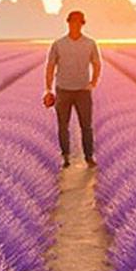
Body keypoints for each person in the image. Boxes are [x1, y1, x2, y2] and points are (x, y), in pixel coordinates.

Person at [43, 9, 101, 168]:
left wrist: (93, 82)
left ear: (82, 24)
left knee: (86, 126)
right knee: (63, 125)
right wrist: (48, 89)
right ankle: (65, 156)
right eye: (72, 21)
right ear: (68, 23)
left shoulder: (90, 43)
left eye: (78, 22)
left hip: (83, 90)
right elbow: (50, 66)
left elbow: (97, 63)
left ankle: (89, 157)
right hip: (63, 89)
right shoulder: (58, 44)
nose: (75, 24)